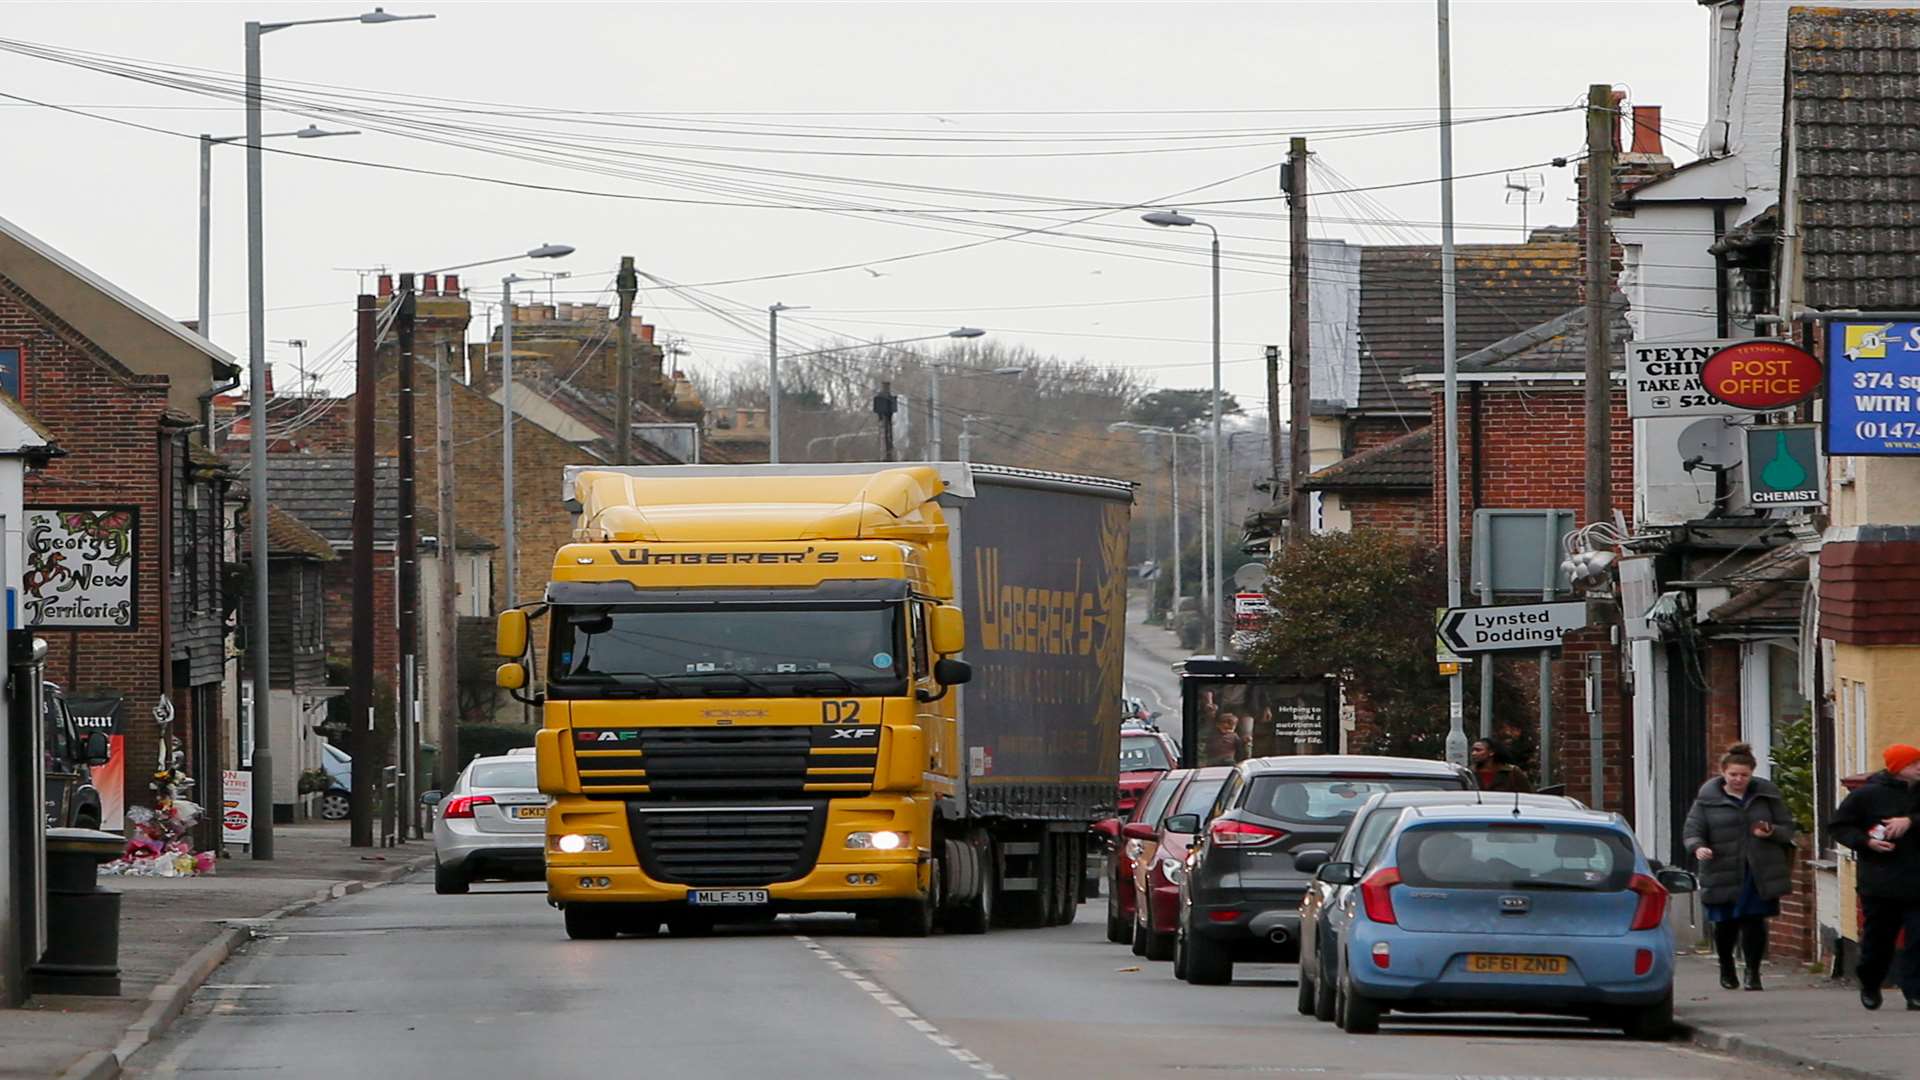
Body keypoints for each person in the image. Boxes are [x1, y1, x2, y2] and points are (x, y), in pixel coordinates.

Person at [1682, 742, 1797, 992]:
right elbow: (1692, 831)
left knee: (1754, 922)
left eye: (1744, 775)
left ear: (1752, 773)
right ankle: (1726, 967)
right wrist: (1698, 847)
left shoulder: (1766, 796)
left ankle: (1753, 973)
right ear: (1723, 772)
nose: (1738, 779)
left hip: (1757, 871)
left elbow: (1787, 828)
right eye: (1733, 774)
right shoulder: (1707, 800)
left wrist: (1771, 831)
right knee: (1725, 925)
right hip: (1721, 868)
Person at [1830, 743, 1920, 1011]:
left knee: (1919, 938)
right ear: (1897, 768)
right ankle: (1870, 982)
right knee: (1879, 939)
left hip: (1917, 879)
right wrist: (1866, 842)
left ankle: (1915, 991)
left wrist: (1911, 821)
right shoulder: (1868, 795)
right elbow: (1838, 826)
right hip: (1881, 880)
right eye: (1915, 763)